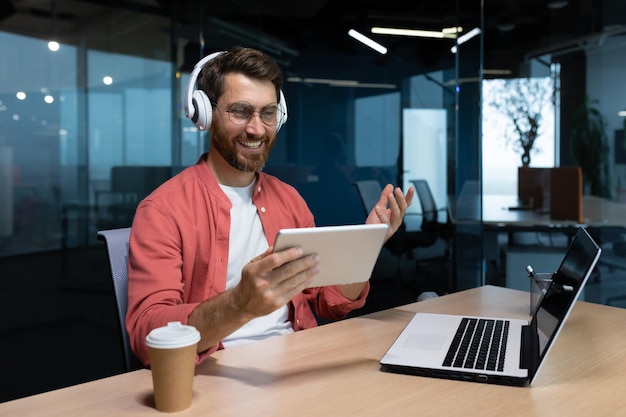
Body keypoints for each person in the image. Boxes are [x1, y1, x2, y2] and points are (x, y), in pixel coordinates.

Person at [126, 46, 414, 366]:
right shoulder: (163, 210)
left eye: (268, 113)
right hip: (214, 374)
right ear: (204, 113)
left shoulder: (288, 198)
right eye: (240, 111)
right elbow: (146, 335)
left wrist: (367, 244)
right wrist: (238, 304)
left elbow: (326, 301)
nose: (257, 129)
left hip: (295, 362)